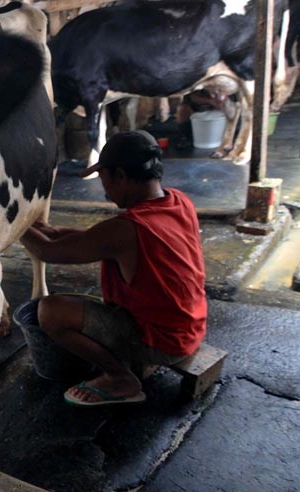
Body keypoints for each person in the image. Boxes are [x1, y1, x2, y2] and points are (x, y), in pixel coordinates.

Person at [21, 130, 207, 407]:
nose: (105, 190)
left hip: (162, 342)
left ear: (120, 175)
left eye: (104, 178)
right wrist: (57, 231)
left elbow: (47, 252)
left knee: (50, 311)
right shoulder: (178, 201)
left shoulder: (124, 230)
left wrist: (11, 222)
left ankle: (120, 378)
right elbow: (98, 239)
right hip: (189, 325)